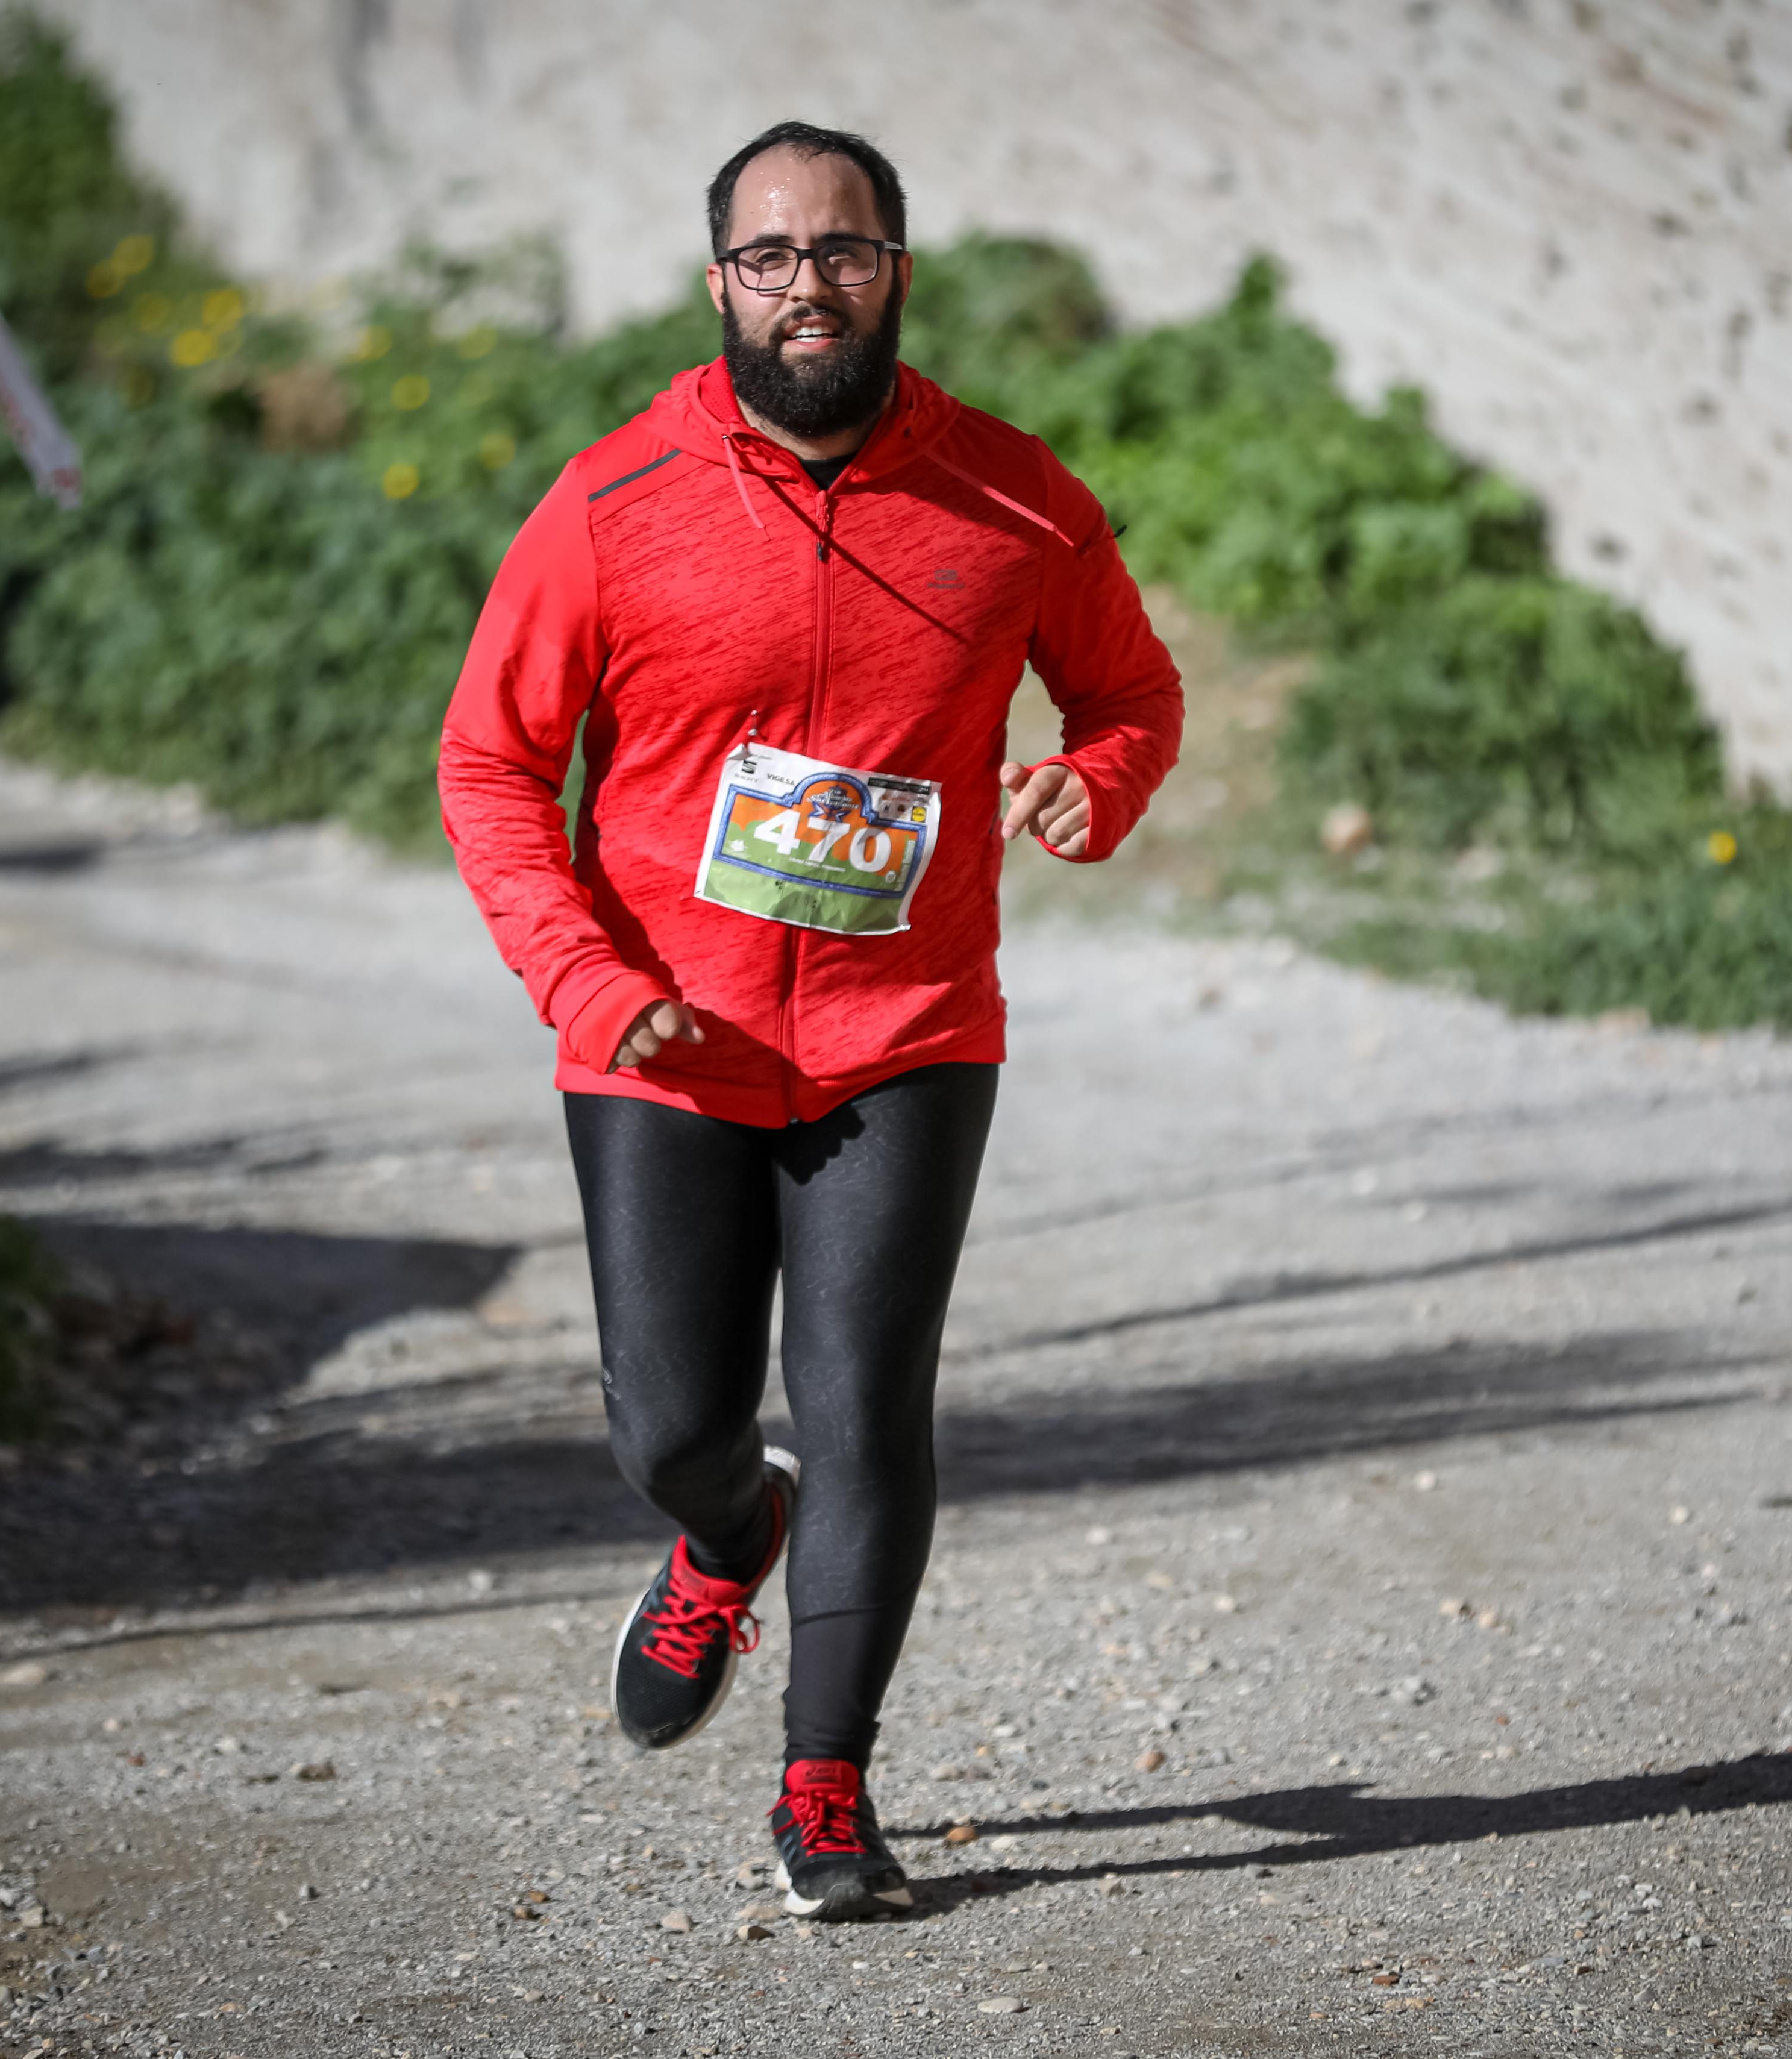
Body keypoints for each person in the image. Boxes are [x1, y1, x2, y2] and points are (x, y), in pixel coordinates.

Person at [437, 119, 1183, 1921]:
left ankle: (827, 1782)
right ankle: (720, 1529)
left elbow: (1130, 688)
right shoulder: (611, 502)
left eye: (841, 250)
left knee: (865, 1408)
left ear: (897, 269)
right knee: (669, 1418)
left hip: (908, 1027)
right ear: (719, 285)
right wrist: (591, 983)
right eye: (770, 257)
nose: (807, 285)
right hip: (663, 1035)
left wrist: (1100, 776)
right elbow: (488, 764)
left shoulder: (1016, 498)